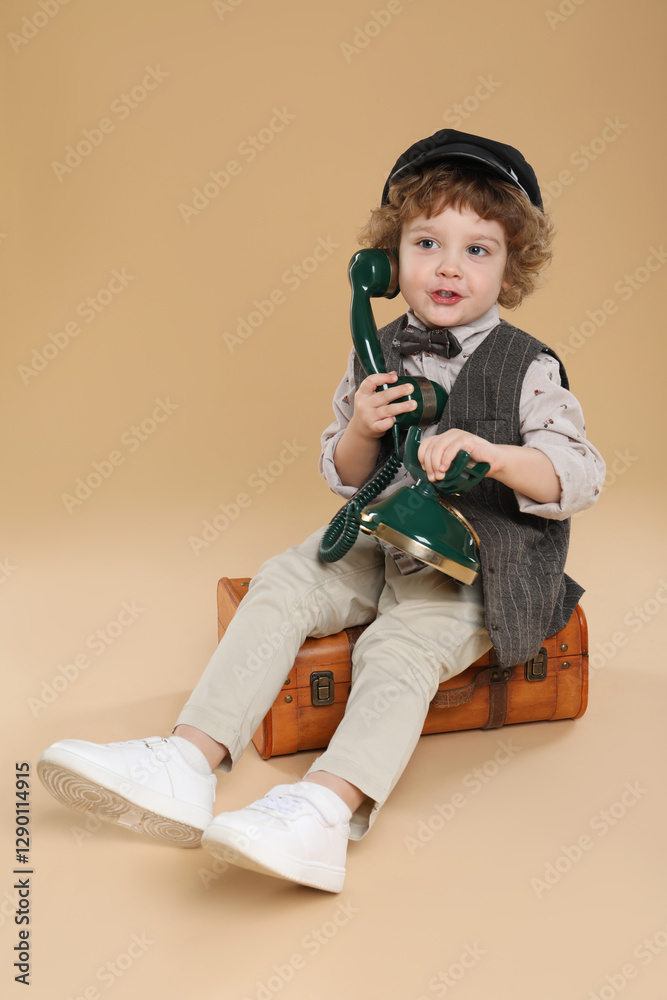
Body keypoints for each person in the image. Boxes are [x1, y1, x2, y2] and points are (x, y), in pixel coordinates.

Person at [37, 129, 605, 894]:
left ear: (511, 266)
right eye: (426, 242)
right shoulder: (378, 349)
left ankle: (322, 812)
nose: (446, 266)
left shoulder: (526, 365)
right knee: (287, 579)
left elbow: (578, 472)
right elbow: (345, 479)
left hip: (482, 563)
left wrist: (496, 455)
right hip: (385, 531)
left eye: (478, 249)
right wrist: (362, 431)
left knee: (398, 650)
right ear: (385, 261)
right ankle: (186, 760)